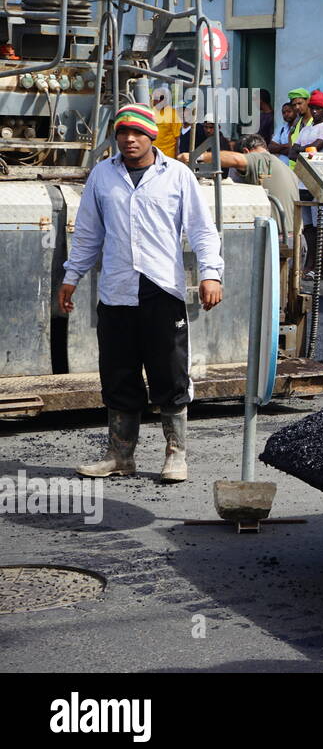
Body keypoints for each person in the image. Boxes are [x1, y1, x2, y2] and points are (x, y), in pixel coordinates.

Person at [61, 104, 224, 484]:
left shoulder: (177, 176)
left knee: (169, 372)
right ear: (115, 137)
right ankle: (120, 455)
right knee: (118, 374)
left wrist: (210, 274)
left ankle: (176, 453)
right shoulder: (102, 176)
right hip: (116, 290)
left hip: (161, 289)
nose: (129, 140)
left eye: (137, 133)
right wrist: (72, 276)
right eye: (122, 133)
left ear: (151, 136)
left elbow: (202, 230)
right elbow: (88, 234)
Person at [180, 134, 298, 237]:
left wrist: (198, 157)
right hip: (293, 236)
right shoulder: (282, 166)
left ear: (246, 152)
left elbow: (236, 160)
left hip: (277, 238)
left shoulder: (260, 159)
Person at [294, 90, 323, 280]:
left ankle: (319, 265)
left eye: (318, 108)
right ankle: (311, 261)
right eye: (312, 108)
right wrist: (303, 150)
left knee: (320, 225)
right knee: (309, 227)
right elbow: (292, 151)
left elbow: (315, 148)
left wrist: (301, 150)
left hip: (320, 180)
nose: (314, 111)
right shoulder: (305, 128)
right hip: (303, 180)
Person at [151, 88, 184, 158]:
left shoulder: (173, 114)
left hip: (167, 156)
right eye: (156, 98)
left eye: (162, 98)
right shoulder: (150, 112)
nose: (159, 100)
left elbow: (178, 138)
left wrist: (176, 158)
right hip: (151, 155)